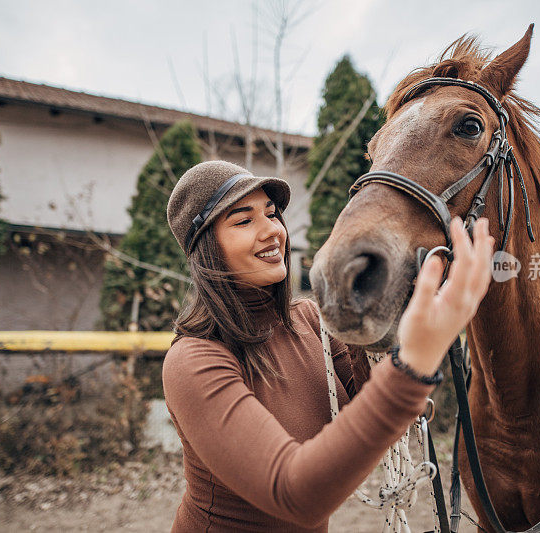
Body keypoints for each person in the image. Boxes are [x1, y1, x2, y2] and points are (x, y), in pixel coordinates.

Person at [163, 160, 494, 532]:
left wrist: (398, 306)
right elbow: (296, 495)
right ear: (206, 249)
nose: (272, 231)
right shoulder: (193, 360)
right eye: (244, 221)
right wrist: (415, 363)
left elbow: (369, 407)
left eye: (272, 215)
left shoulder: (309, 320)